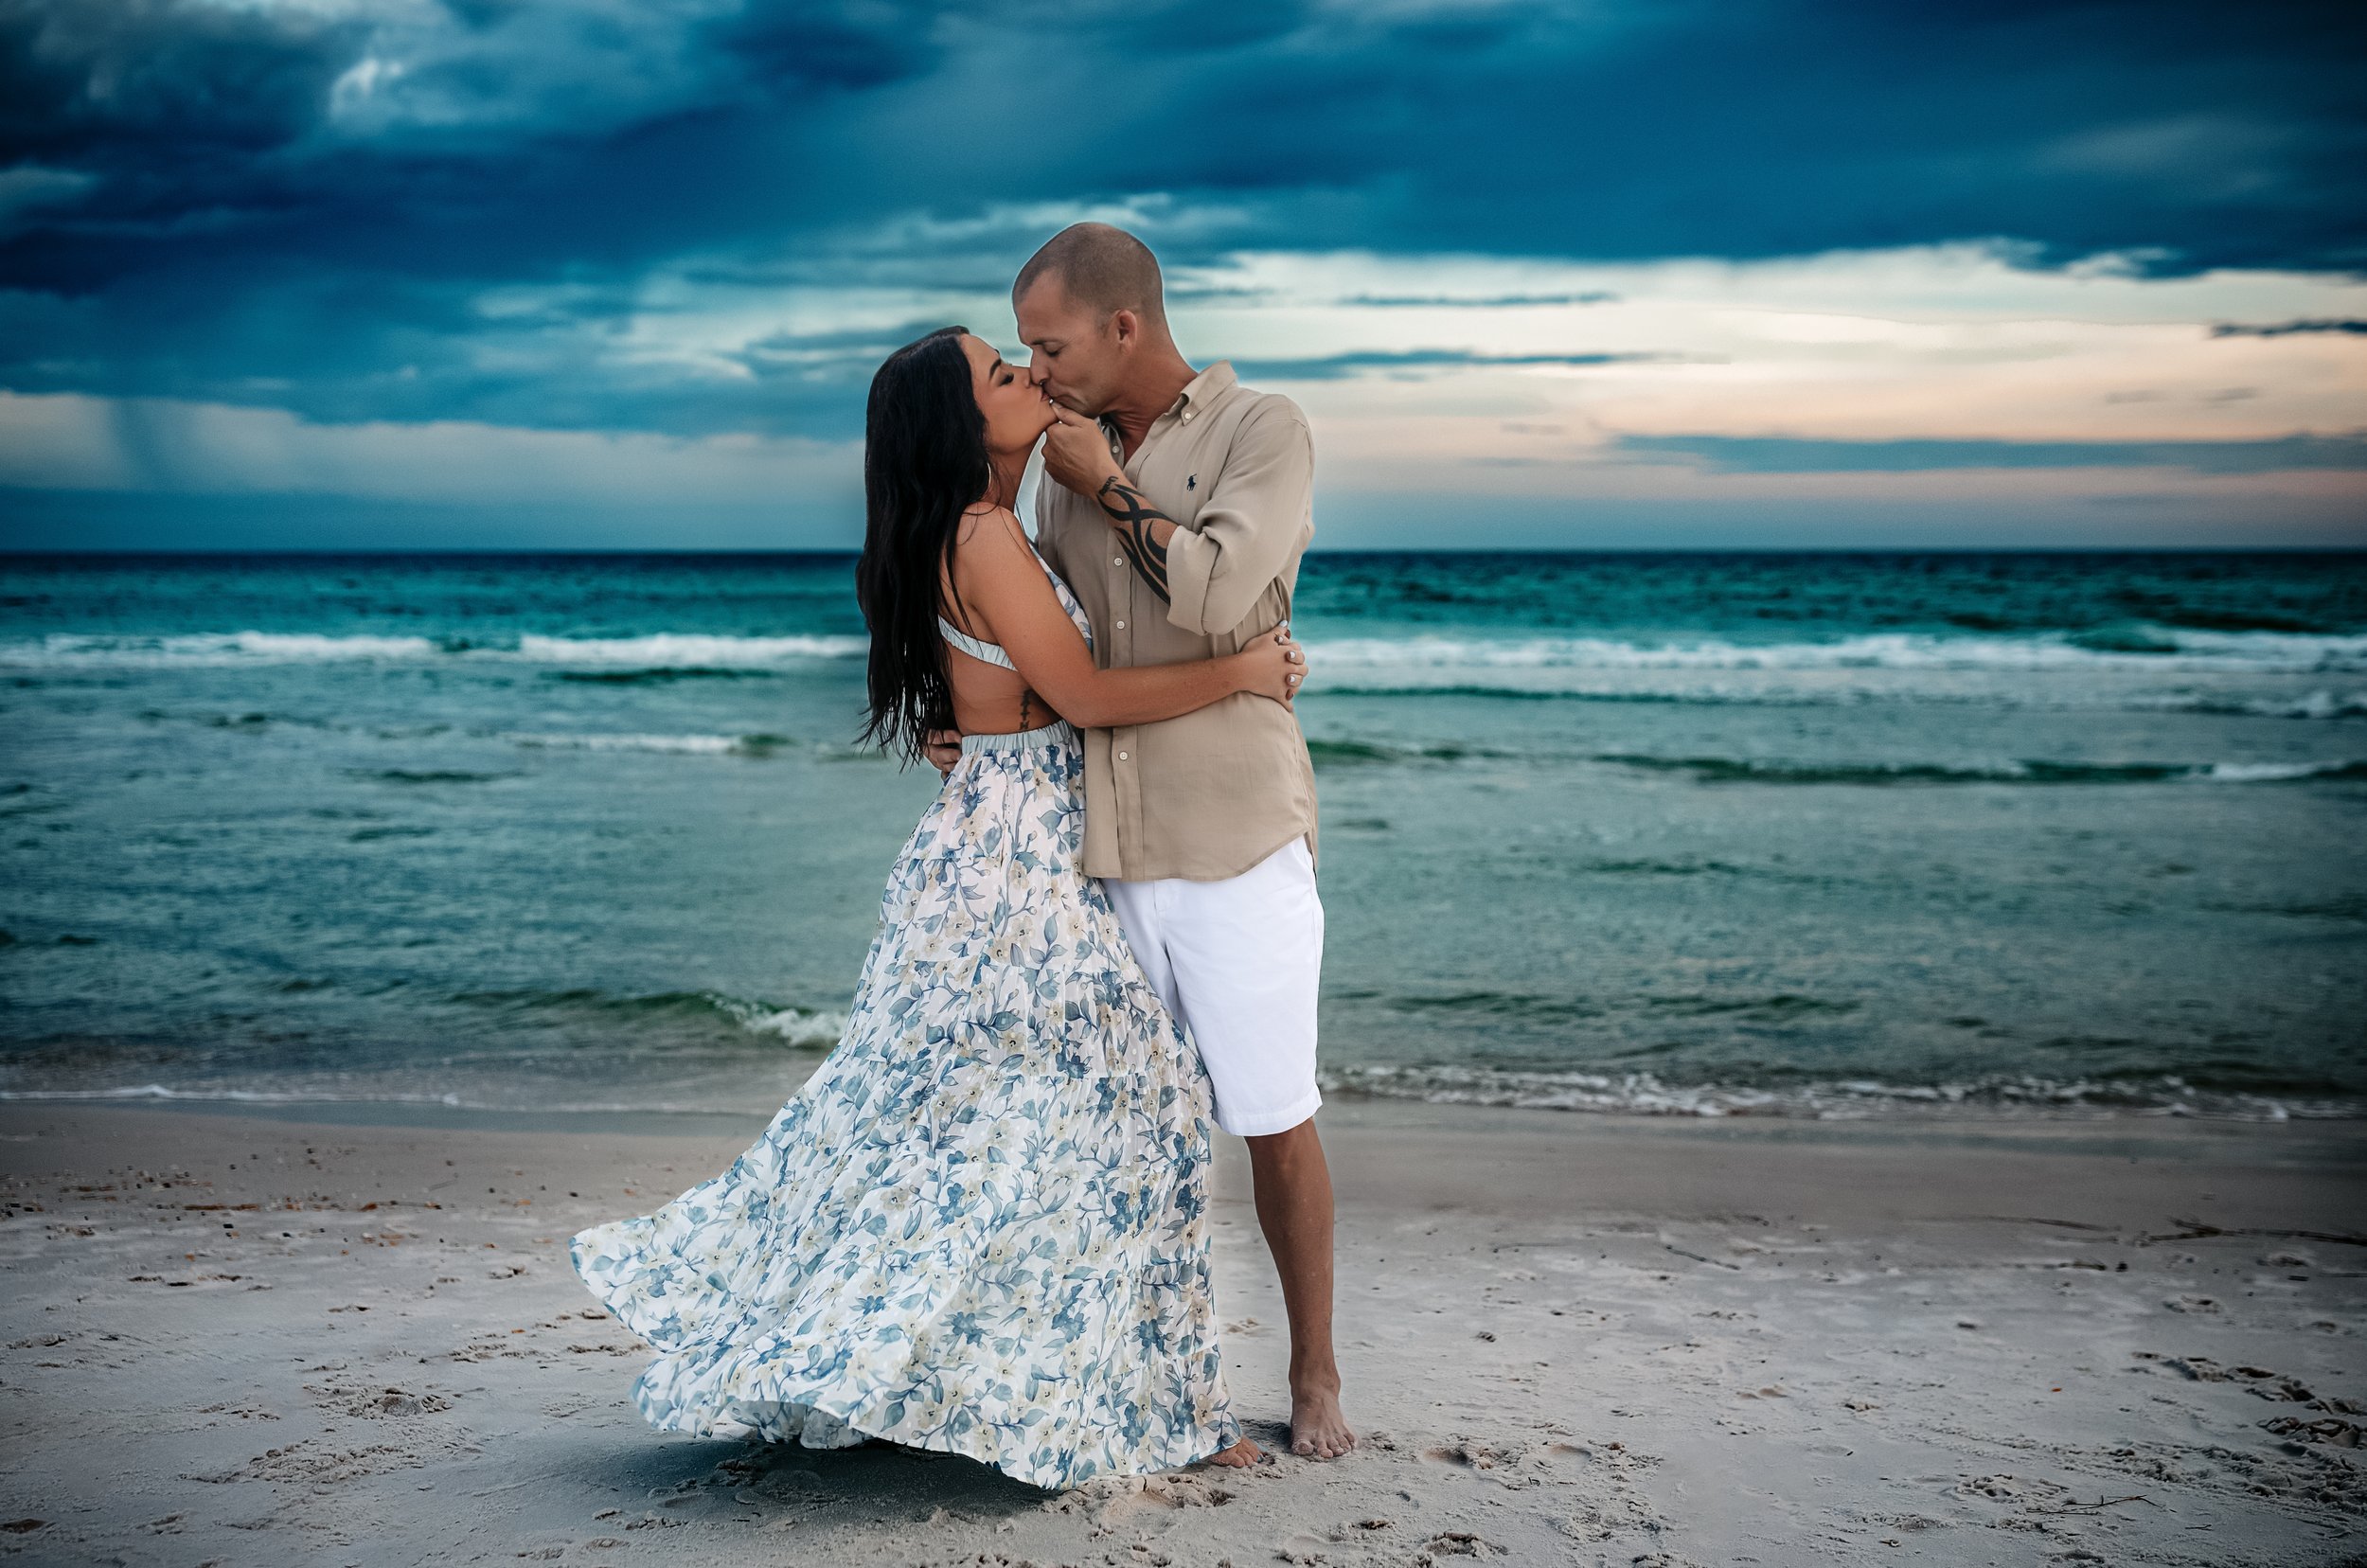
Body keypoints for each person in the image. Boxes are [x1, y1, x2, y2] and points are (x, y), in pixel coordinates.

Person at [569, 326, 1308, 1491]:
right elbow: (1082, 692)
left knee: (974, 1125)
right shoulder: (983, 536)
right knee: (1121, 1107)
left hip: (996, 845)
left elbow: (1008, 690)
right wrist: (1241, 672)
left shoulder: (976, 532)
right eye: (998, 375)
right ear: (959, 427)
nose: (1025, 375)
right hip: (1018, 861)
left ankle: (1049, 1382)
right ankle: (1153, 1404)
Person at [931, 222, 1354, 1460]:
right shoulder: (1046, 463)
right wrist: (967, 725)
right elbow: (1028, 624)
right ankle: (1136, 1380)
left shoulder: (1259, 432)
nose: (1037, 366)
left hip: (1236, 834)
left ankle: (1316, 1372)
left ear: (1125, 327)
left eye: (1049, 343)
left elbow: (1220, 594)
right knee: (1118, 1135)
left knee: (1273, 1117)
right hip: (1091, 847)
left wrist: (1111, 487)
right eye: (1021, 350)